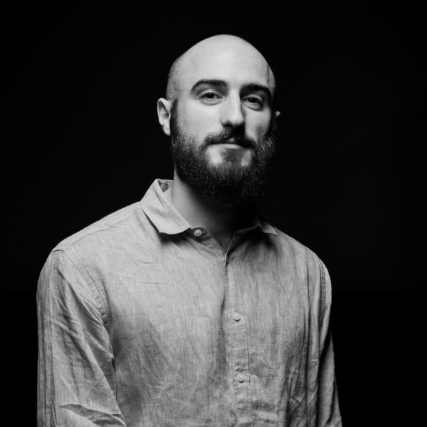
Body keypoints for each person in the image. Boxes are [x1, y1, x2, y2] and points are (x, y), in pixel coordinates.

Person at [37, 34, 343, 426]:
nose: (235, 117)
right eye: (210, 95)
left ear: (273, 125)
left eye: (254, 99)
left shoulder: (308, 274)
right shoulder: (82, 268)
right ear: (167, 116)